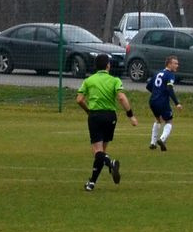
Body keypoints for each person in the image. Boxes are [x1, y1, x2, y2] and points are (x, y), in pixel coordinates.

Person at [76, 53, 138, 191]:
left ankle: (110, 162)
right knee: (102, 151)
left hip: (95, 116)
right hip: (110, 117)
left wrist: (88, 110)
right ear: (108, 66)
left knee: (98, 152)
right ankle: (92, 183)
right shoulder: (115, 80)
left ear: (95, 66)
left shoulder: (89, 80)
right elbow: (121, 98)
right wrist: (131, 115)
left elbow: (79, 100)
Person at [146, 55, 182, 151]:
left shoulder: (158, 73)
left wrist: (156, 92)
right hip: (162, 101)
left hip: (152, 101)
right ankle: (162, 139)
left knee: (158, 120)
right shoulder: (170, 75)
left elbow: (148, 86)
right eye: (175, 63)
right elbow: (170, 89)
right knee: (169, 121)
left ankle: (152, 143)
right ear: (169, 64)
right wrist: (177, 103)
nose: (177, 65)